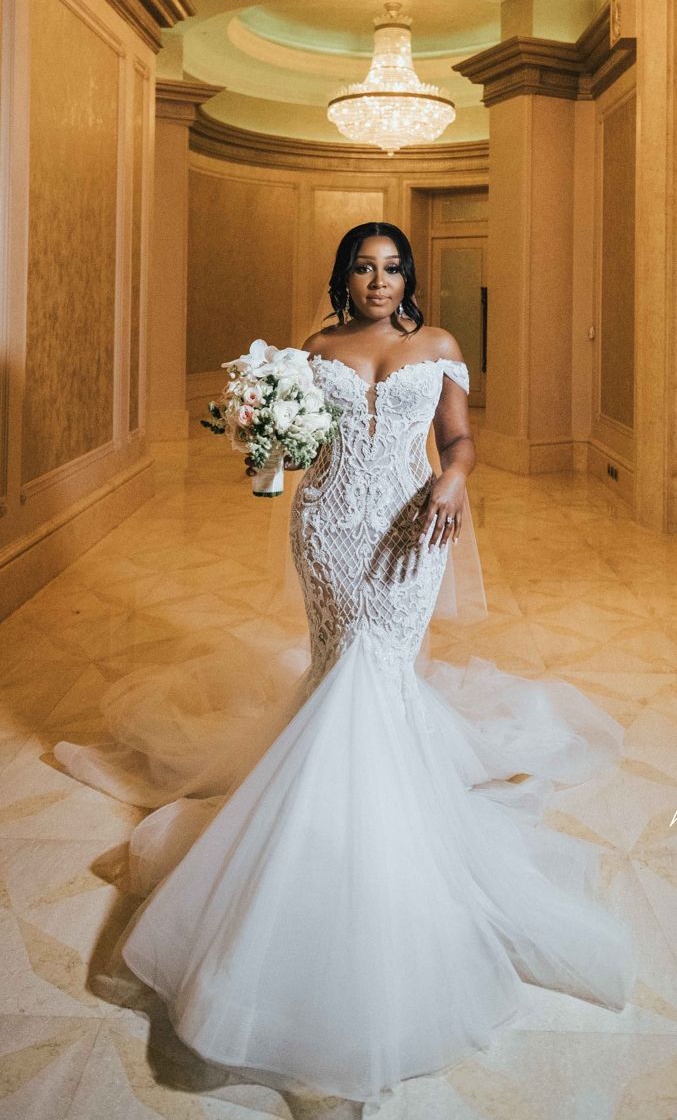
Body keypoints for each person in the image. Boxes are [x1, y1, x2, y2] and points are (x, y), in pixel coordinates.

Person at [55, 221, 636, 1110]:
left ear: (407, 277)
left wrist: (450, 479)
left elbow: (459, 440)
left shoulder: (436, 345)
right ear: (343, 275)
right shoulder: (313, 348)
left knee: (381, 674)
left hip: (412, 529)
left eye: (391, 266)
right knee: (340, 674)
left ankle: (373, 836)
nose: (377, 279)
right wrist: (266, 437)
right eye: (362, 266)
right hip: (327, 528)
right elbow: (288, 456)